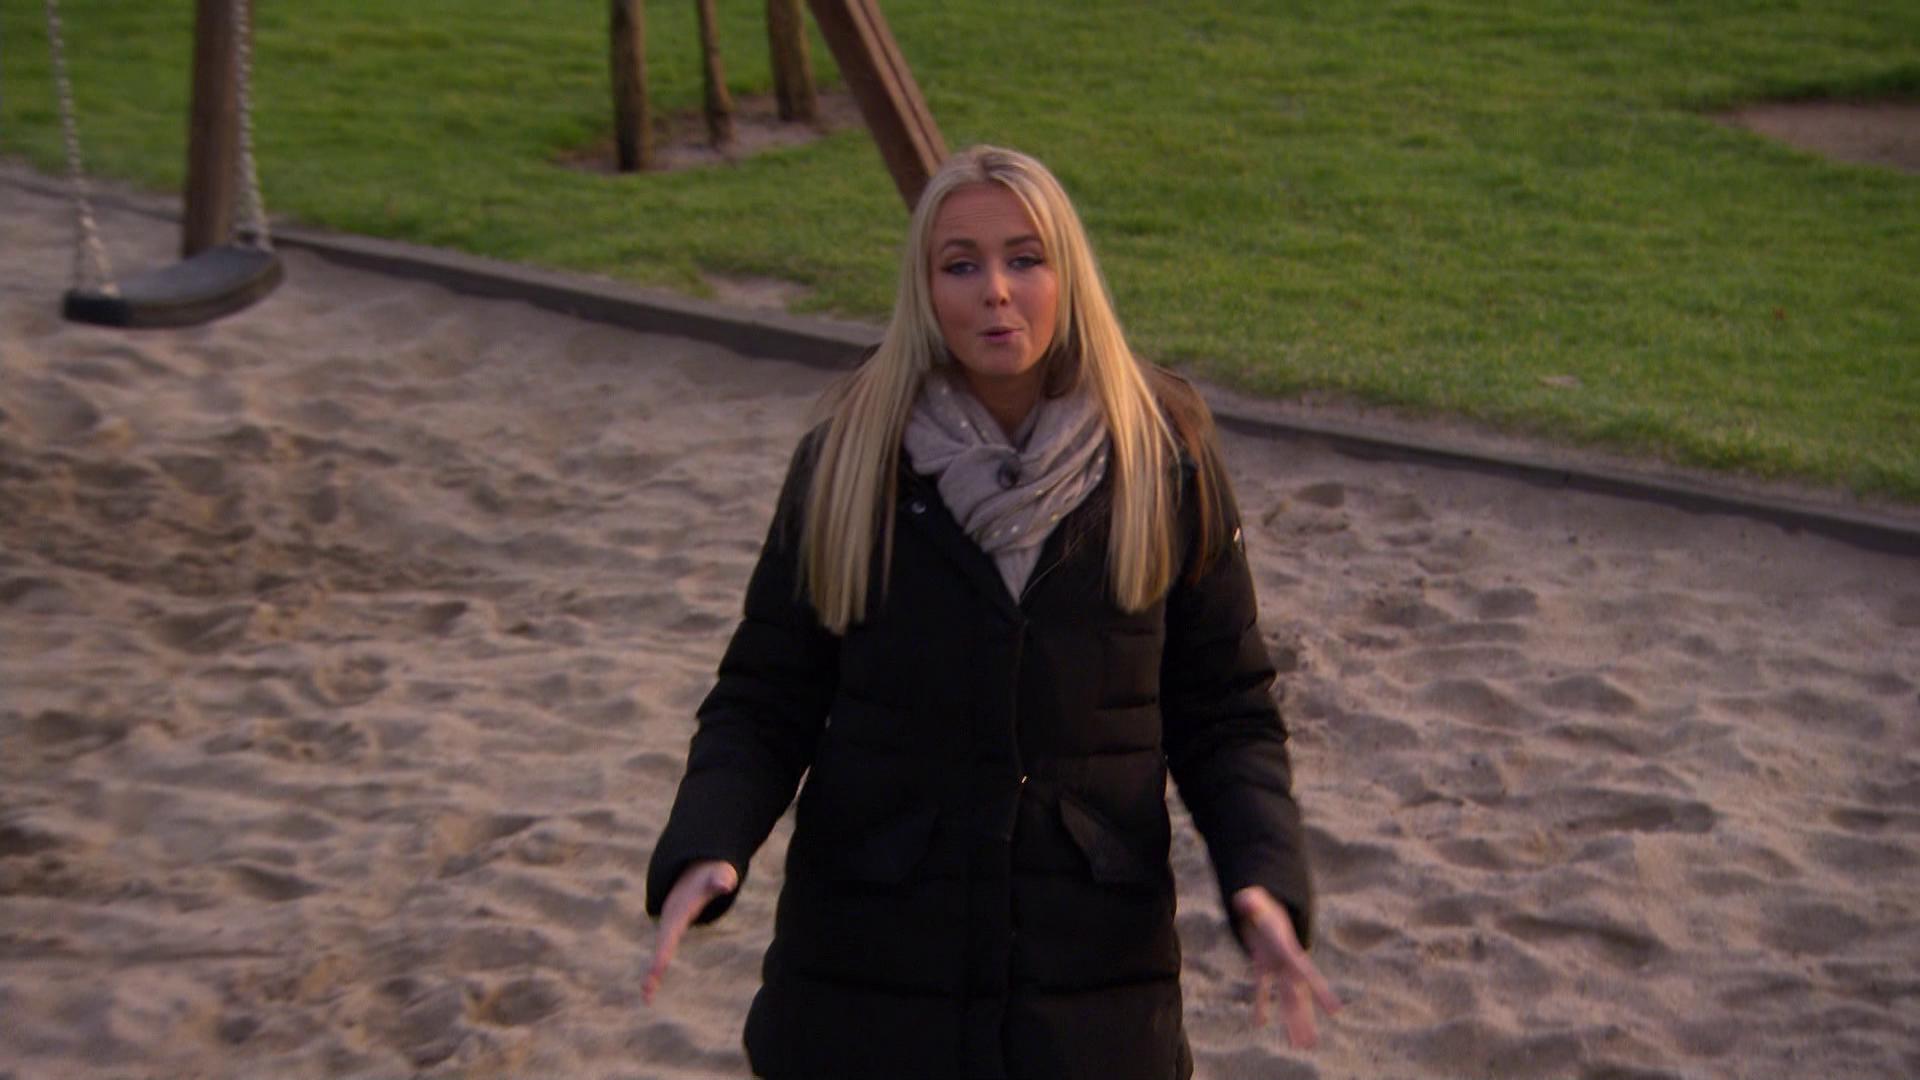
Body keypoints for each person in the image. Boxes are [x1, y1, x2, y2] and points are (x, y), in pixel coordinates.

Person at [643, 145, 1337, 1079]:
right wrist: (710, 841)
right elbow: (765, 696)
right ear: (925, 289)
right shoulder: (850, 458)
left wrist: (1263, 878)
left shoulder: (1161, 458)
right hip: (867, 974)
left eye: (1025, 258)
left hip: (1088, 985)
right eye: (961, 264)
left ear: (1068, 275)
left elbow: (1226, 712)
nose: (996, 291)